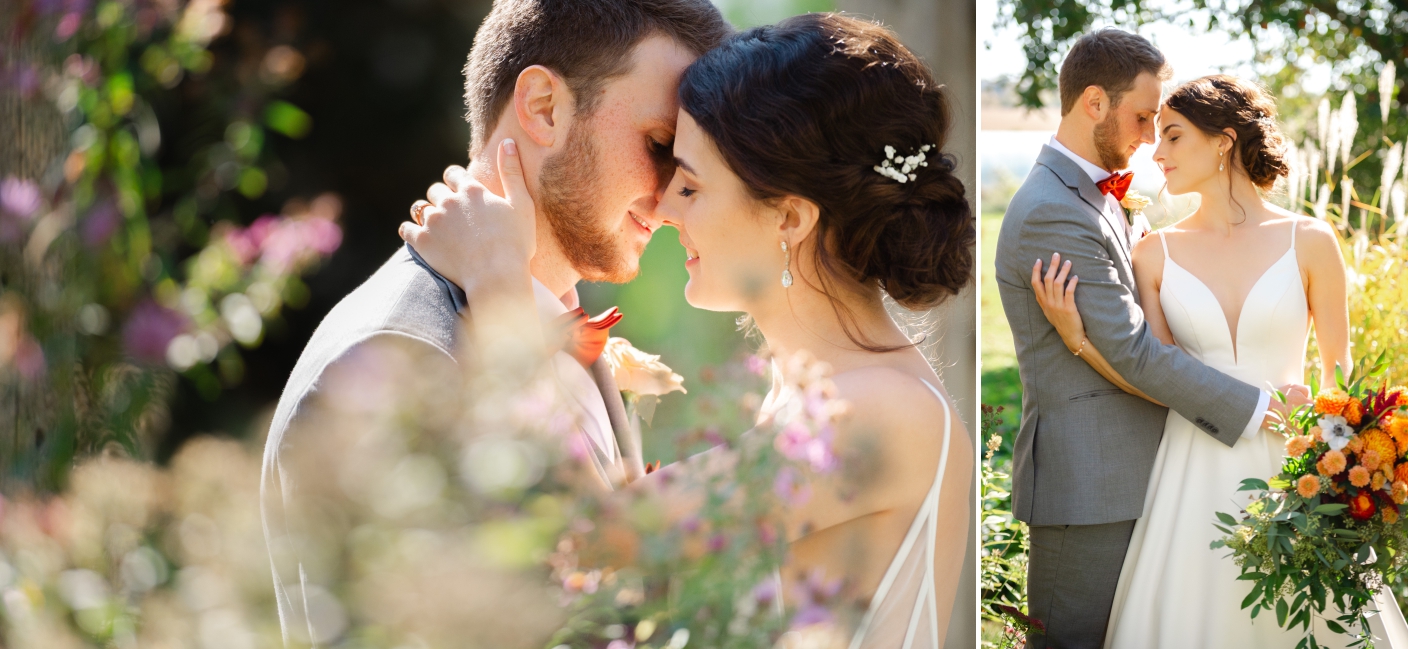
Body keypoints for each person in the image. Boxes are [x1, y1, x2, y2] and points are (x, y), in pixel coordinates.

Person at [402, 14, 975, 647]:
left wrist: (498, 281)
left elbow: (593, 538)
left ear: (788, 216)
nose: (664, 207)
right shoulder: (828, 391)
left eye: (691, 185)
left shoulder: (877, 411)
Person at [259, 1, 731, 645]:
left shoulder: (567, 333)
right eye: (659, 146)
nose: (677, 193)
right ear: (543, 107)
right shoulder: (394, 353)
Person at [1030, 73, 1408, 648]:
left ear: (1224, 141)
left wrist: (1340, 458)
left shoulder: (1311, 240)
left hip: (1297, 466)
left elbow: (1340, 370)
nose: (1155, 154)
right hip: (1192, 470)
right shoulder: (1153, 252)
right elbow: (1154, 372)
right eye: (1156, 137)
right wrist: (1076, 338)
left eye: (1173, 136)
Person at [991, 29, 1311, 649]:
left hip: (1148, 474)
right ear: (1093, 103)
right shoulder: (1053, 209)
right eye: (1142, 118)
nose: (1147, 137)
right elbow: (1133, 351)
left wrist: (1086, 342)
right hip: (1089, 485)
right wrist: (1261, 406)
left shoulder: (1095, 196)